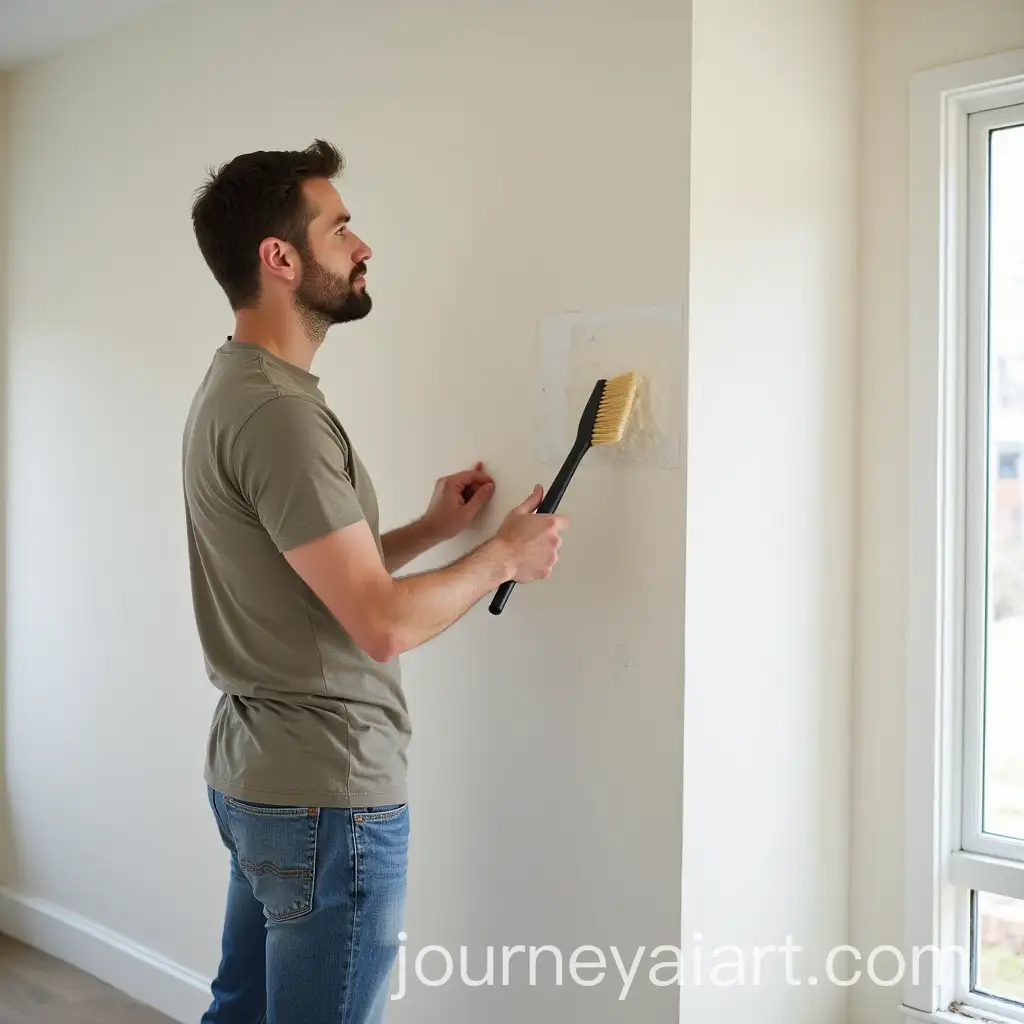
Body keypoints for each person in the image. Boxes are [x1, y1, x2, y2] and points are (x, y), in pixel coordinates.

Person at [181, 139, 568, 1023]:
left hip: (261, 777)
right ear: (280, 259)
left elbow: (309, 579)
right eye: (340, 228)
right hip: (327, 795)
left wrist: (432, 531)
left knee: (238, 1012)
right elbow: (381, 625)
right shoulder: (279, 413)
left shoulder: (237, 387)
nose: (362, 247)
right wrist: (503, 557)